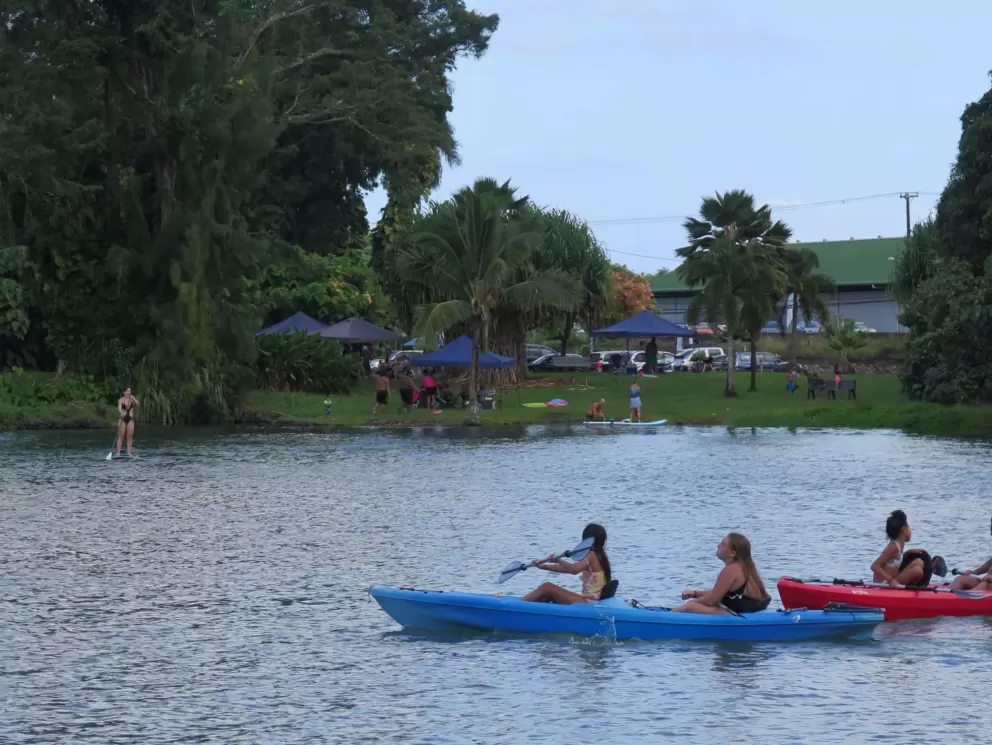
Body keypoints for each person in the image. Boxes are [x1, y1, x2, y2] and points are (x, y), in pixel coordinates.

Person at [674, 533, 771, 614]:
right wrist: (695, 593)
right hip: (749, 611)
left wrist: (691, 603)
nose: (718, 546)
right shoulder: (744, 567)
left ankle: (667, 619)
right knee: (693, 604)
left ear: (733, 553)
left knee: (690, 606)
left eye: (723, 544)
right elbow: (720, 593)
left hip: (739, 615)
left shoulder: (732, 569)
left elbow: (711, 600)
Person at [522, 523, 612, 604]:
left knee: (547, 587)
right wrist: (544, 566)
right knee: (548, 594)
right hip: (591, 601)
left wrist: (558, 560)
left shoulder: (591, 554)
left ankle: (519, 605)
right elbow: (568, 569)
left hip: (588, 602)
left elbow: (574, 570)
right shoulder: (601, 555)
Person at [870, 510, 944, 588]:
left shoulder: (898, 546)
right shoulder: (893, 547)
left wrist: (908, 552)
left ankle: (910, 590)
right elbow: (874, 566)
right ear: (903, 529)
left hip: (893, 579)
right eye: (908, 527)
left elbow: (894, 560)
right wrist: (890, 580)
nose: (910, 529)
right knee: (917, 571)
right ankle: (910, 592)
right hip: (884, 583)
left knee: (919, 562)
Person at [949, 516, 992, 591]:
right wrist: (975, 573)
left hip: (988, 583)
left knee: (985, 585)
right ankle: (948, 598)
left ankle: (969, 598)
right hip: (988, 580)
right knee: (961, 579)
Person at [115, 387, 140, 457]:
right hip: (122, 419)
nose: (129, 392)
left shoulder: (132, 399)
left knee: (129, 436)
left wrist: (134, 399)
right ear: (124, 392)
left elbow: (138, 404)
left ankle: (129, 453)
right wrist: (121, 412)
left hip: (130, 419)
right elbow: (119, 408)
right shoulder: (121, 400)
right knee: (121, 436)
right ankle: (118, 453)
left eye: (130, 391)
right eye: (128, 391)